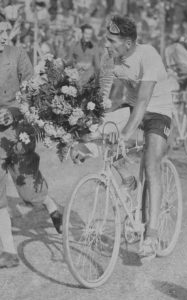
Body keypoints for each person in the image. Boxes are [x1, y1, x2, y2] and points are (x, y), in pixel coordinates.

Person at [75, 14, 173, 258]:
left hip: (157, 111)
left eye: (111, 40)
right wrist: (88, 134)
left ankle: (151, 234)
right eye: (106, 39)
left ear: (128, 44)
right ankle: (128, 178)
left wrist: (127, 133)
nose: (106, 44)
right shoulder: (110, 58)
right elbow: (102, 94)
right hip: (131, 108)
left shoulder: (148, 55)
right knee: (97, 132)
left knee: (151, 164)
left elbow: (143, 100)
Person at [0, 16, 62, 269]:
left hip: (16, 131)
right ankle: (8, 250)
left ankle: (51, 206)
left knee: (28, 189)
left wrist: (13, 113)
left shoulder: (17, 53)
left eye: (5, 31)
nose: (4, 36)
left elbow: (30, 91)